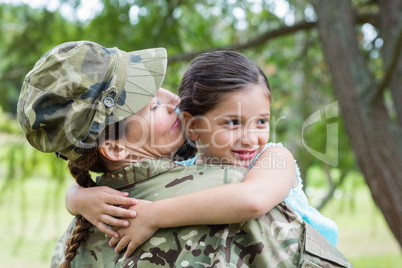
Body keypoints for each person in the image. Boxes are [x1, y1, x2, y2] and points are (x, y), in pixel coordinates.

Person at [17, 41, 351, 267]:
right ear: (115, 146)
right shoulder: (222, 185)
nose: (175, 100)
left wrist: (80, 198)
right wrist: (78, 197)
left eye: (262, 121)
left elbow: (253, 196)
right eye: (154, 105)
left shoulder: (75, 239)